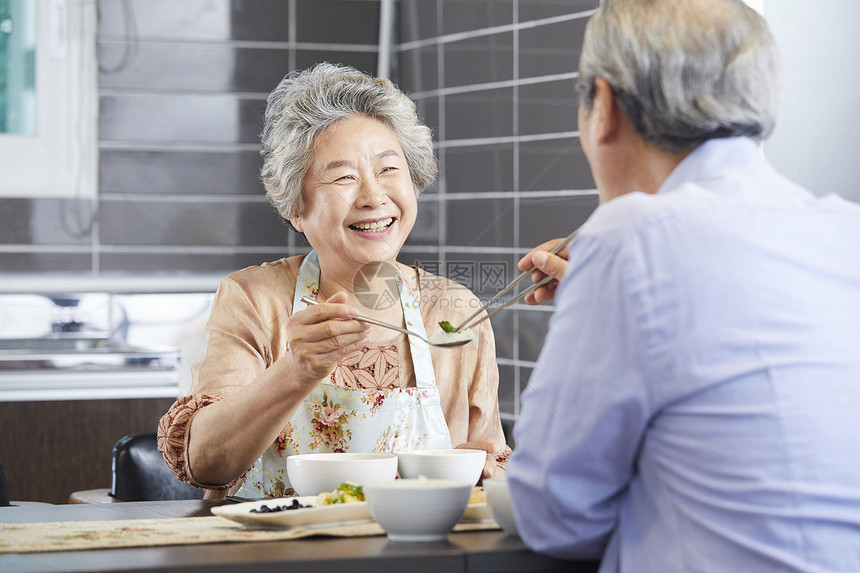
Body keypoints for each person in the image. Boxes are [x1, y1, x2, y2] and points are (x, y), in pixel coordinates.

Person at [507, 1, 860, 571]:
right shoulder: (849, 230)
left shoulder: (627, 238)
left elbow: (552, 514)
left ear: (604, 106)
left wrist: (610, 282)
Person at [157, 63, 509, 499]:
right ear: (296, 209)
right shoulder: (254, 299)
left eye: (388, 169)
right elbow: (207, 463)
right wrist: (296, 370)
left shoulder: (456, 312)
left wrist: (487, 474)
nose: (373, 196)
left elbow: (490, 461)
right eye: (343, 177)